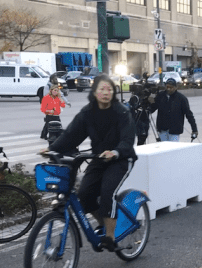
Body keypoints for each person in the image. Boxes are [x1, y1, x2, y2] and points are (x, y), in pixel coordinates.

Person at [43, 75, 136, 252]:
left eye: (109, 89)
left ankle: (110, 236)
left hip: (121, 159)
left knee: (107, 191)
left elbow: (127, 139)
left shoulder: (122, 112)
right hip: (98, 159)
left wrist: (115, 152)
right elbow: (71, 135)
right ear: (94, 92)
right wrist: (52, 149)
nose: (105, 92)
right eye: (101, 89)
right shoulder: (87, 113)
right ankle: (104, 222)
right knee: (84, 195)